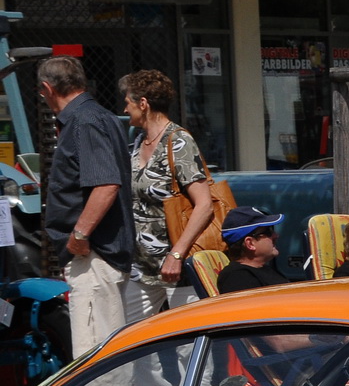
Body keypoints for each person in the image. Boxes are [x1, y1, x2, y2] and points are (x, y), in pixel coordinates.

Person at [38, 57, 135, 356]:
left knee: (94, 356)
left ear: (48, 89)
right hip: (100, 254)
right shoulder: (97, 117)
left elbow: (106, 185)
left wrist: (79, 235)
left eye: (42, 93)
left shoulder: (84, 120)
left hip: (94, 255)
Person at [117, 69, 214, 320]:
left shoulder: (179, 141)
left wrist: (176, 254)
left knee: (188, 338)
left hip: (178, 268)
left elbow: (204, 205)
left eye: (128, 102)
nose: (125, 109)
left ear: (143, 104)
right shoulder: (138, 143)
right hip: (141, 269)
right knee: (130, 335)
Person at [216, 207, 289, 293]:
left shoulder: (263, 269)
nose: (276, 235)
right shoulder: (238, 278)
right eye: (268, 232)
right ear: (250, 243)